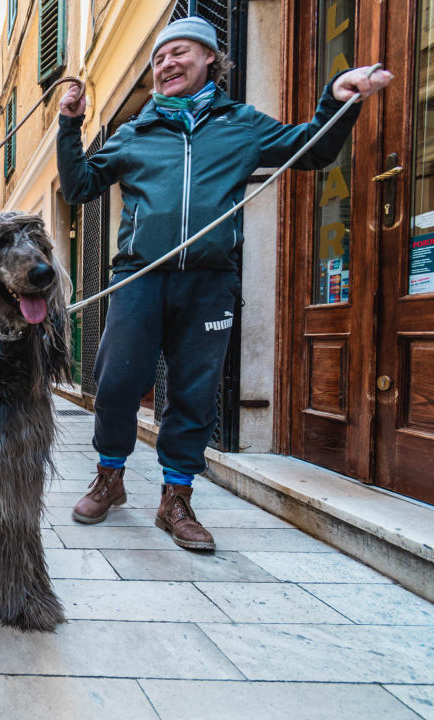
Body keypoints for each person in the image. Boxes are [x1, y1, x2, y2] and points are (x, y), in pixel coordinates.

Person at [57, 17, 393, 551]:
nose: (166, 64)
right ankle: (110, 477)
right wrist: (70, 127)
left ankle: (176, 498)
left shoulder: (241, 125)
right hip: (139, 278)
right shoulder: (135, 132)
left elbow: (313, 149)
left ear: (211, 58)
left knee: (194, 395)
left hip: (210, 283)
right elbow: (77, 188)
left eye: (180, 53)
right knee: (117, 385)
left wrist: (336, 99)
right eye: (160, 58)